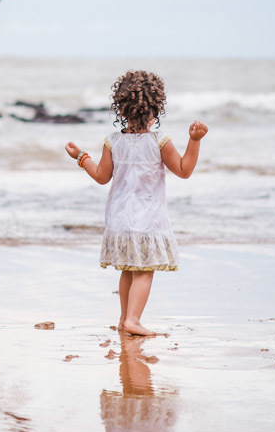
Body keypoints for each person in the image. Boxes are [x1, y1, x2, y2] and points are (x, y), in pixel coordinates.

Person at [65, 70, 207, 337]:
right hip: (147, 220)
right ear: (156, 108)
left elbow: (101, 176)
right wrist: (194, 141)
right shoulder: (159, 142)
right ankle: (133, 320)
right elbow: (184, 170)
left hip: (119, 220)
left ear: (121, 109)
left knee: (129, 269)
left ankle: (124, 320)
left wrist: (81, 156)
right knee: (144, 270)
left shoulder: (113, 142)